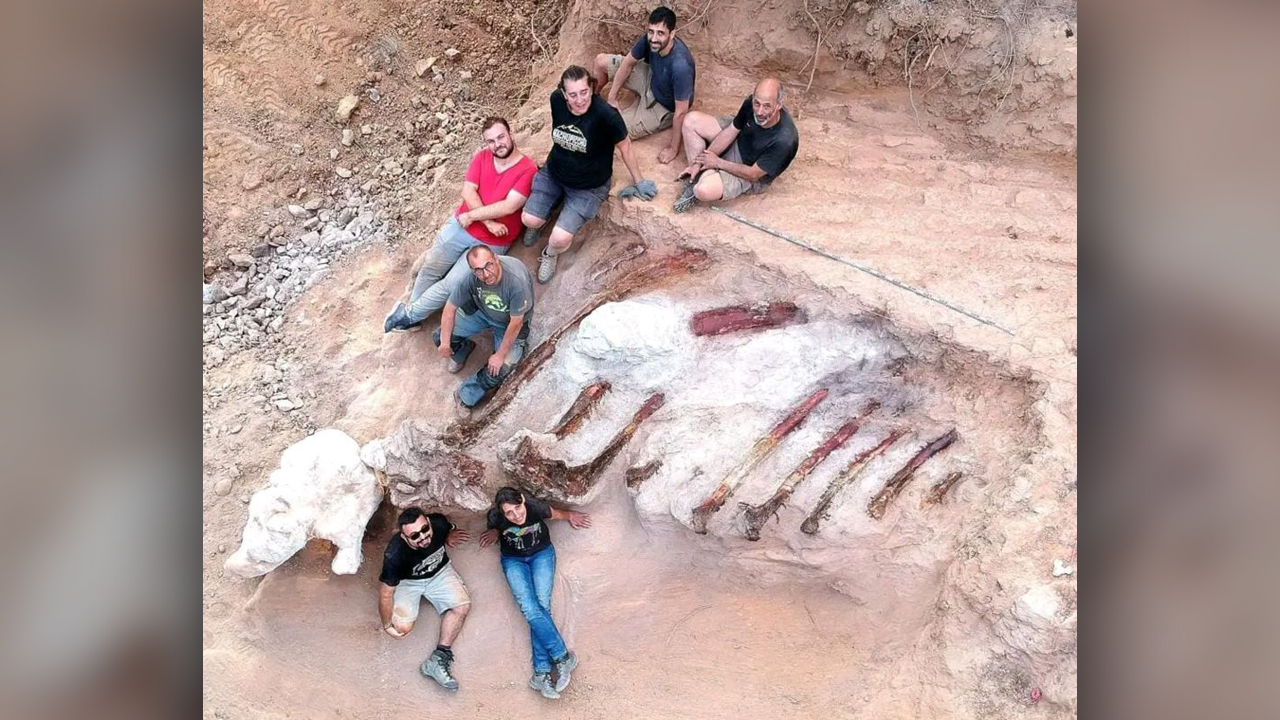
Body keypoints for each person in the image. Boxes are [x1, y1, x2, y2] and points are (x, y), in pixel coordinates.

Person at [384, 117, 537, 332]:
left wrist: (475, 217)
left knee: (453, 284)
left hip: (491, 241)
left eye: (501, 137)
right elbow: (467, 191)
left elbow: (510, 206)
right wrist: (487, 221)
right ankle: (415, 317)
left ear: (510, 134)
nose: (497, 144)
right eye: (491, 141)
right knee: (431, 267)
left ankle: (408, 315)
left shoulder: (527, 169)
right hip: (463, 225)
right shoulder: (482, 157)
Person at [520, 65, 655, 285]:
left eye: (584, 92)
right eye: (573, 94)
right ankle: (544, 217)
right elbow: (561, 133)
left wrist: (639, 181)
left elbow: (626, 146)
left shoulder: (606, 116)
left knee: (560, 238)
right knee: (529, 220)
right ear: (564, 94)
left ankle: (550, 253)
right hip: (555, 172)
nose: (580, 99)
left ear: (591, 88)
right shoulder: (556, 100)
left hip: (588, 186)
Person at [480, 487, 592, 699]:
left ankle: (541, 673)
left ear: (522, 500)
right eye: (509, 513)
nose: (516, 515)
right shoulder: (496, 516)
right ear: (502, 513)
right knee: (530, 609)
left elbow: (557, 513)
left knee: (541, 606)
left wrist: (571, 516)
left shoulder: (534, 507)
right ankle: (561, 657)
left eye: (517, 508)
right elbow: (495, 527)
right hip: (513, 560)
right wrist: (495, 532)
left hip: (541, 555)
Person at [377, 507, 473, 691]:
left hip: (440, 573)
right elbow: (385, 593)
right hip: (408, 582)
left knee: (462, 607)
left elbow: (448, 526)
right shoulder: (394, 554)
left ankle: (438, 659)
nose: (422, 537)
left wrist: (449, 535)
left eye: (424, 530)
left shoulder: (438, 523)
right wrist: (387, 625)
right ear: (404, 537)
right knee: (401, 629)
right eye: (414, 536)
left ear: (429, 523)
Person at [672, 77, 799, 213]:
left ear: (779, 104)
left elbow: (753, 174)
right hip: (740, 141)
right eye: (757, 103)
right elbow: (732, 130)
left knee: (702, 190)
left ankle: (699, 180)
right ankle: (699, 171)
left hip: (749, 171)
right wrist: (700, 161)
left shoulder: (784, 140)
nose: (760, 112)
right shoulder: (751, 103)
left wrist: (717, 162)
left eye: (767, 106)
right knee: (691, 121)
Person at [434, 244, 535, 415]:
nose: (486, 274)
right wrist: (445, 343)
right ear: (473, 271)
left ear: (496, 259)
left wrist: (500, 355)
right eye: (479, 270)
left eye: (489, 265)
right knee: (441, 335)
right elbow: (450, 308)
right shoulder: (472, 278)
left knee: (500, 368)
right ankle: (462, 351)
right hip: (482, 312)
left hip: (508, 324)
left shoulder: (515, 281)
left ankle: (465, 395)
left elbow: (516, 323)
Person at [592, 6, 696, 164]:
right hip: (651, 77)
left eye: (660, 33)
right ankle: (594, 97)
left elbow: (681, 112)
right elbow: (627, 64)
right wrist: (612, 97)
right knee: (600, 61)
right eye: (651, 31)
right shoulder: (651, 41)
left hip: (662, 106)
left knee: (607, 128)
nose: (654, 38)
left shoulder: (681, 66)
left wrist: (673, 149)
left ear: (672, 33)